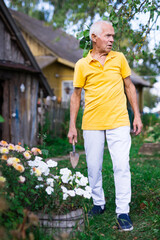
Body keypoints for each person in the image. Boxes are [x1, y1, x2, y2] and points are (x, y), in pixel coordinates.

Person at [68, 20, 143, 231]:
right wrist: (72, 126)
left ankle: (122, 211)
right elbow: (75, 96)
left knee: (121, 166)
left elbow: (129, 87)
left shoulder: (119, 59)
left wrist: (136, 115)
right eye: (107, 36)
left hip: (119, 121)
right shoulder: (81, 65)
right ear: (94, 38)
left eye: (113, 36)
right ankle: (98, 203)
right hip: (91, 123)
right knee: (93, 167)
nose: (112, 39)